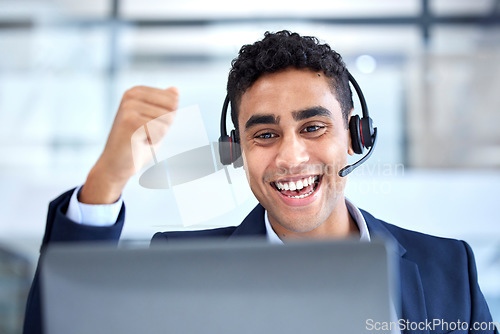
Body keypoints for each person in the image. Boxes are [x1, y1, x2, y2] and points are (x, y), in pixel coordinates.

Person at [23, 30, 497, 334]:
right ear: (238, 152)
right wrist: (107, 181)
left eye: (313, 127)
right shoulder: (182, 267)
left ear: (356, 135)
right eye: (266, 134)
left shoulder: (448, 268)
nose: (291, 156)